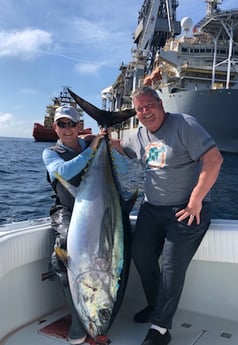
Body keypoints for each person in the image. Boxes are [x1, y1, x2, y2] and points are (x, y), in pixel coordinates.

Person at [115, 86, 223, 345]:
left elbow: (214, 160)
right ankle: (155, 306)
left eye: (149, 105)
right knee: (140, 255)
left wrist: (196, 200)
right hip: (151, 210)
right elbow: (119, 145)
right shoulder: (139, 135)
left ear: (160, 103)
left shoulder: (184, 124)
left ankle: (161, 329)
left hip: (186, 210)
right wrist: (93, 138)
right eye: (139, 109)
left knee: (172, 267)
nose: (144, 111)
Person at [42, 105, 125, 345]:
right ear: (55, 127)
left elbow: (123, 161)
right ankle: (78, 320)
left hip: (102, 209)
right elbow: (64, 172)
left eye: (71, 124)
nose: (67, 129)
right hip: (67, 209)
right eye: (61, 124)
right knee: (62, 252)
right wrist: (95, 148)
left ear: (79, 126)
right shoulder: (50, 153)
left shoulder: (91, 143)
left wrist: (108, 142)